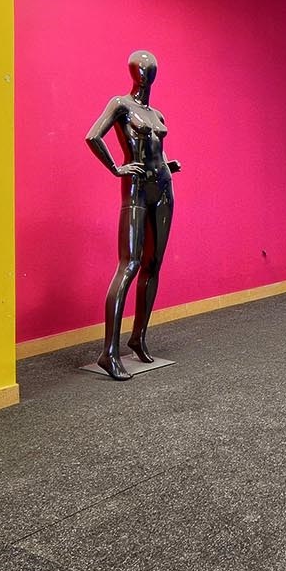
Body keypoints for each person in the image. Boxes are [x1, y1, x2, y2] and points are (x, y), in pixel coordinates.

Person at [84, 50, 180, 380]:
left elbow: (158, 149)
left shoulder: (156, 113)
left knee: (154, 264)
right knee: (130, 264)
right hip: (137, 189)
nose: (146, 73)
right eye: (142, 68)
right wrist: (116, 167)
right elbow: (93, 136)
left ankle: (138, 337)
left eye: (151, 69)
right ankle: (108, 352)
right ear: (133, 72)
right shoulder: (121, 105)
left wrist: (168, 164)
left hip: (163, 188)